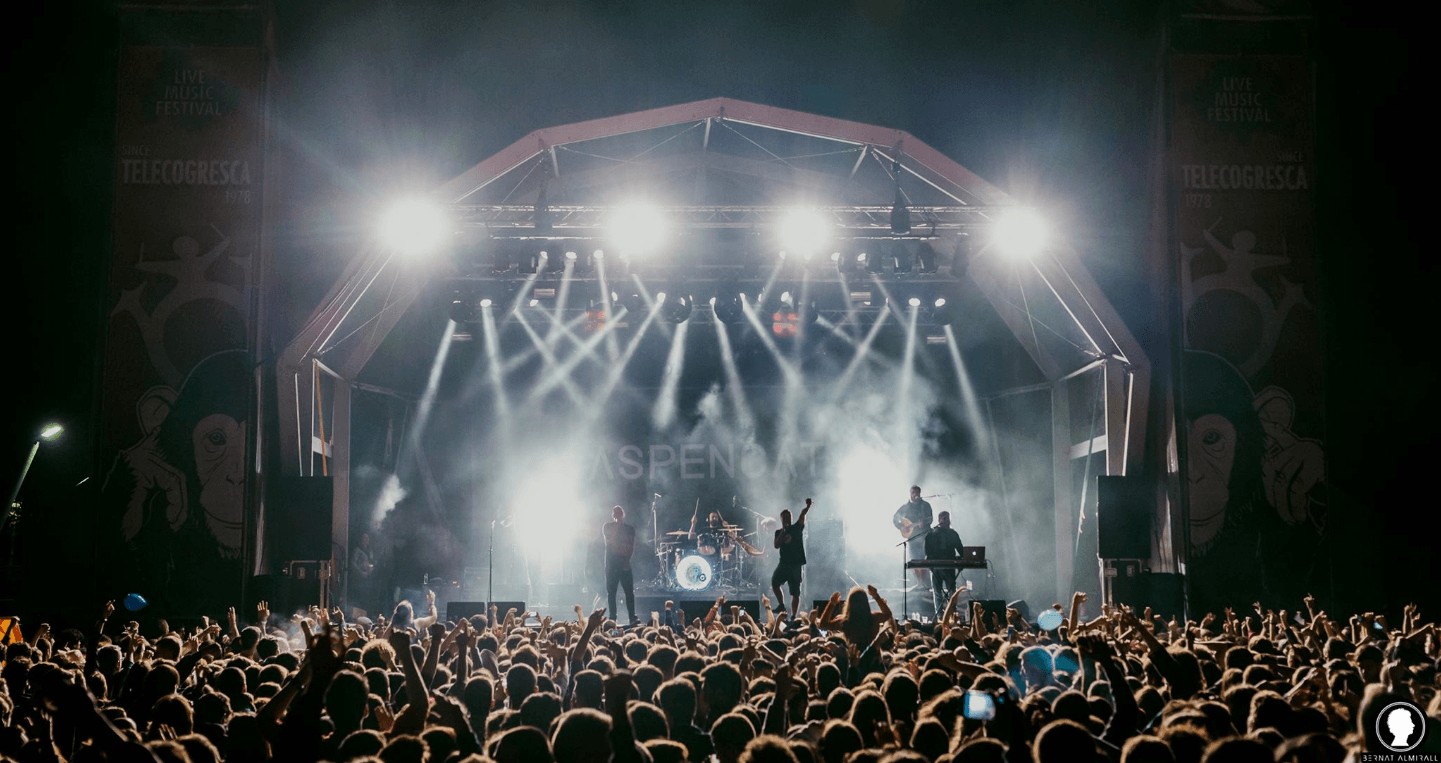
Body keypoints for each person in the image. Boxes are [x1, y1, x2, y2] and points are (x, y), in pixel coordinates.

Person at [771, 498, 812, 616]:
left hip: (795, 565)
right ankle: (781, 605)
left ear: (791, 518)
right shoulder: (778, 532)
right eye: (784, 517)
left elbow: (802, 515)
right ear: (781, 519)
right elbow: (776, 545)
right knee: (775, 582)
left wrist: (808, 507)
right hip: (784, 563)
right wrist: (783, 531)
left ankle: (793, 616)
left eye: (789, 517)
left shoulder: (797, 527)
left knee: (795, 593)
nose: (787, 519)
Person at [602, 504, 639, 625]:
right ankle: (613, 617)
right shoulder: (607, 527)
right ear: (613, 515)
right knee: (611, 593)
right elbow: (610, 543)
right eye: (615, 513)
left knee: (629, 592)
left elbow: (631, 546)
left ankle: (632, 617)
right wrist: (617, 526)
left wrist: (627, 560)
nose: (617, 515)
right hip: (612, 565)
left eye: (619, 512)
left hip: (624, 564)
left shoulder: (629, 529)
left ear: (623, 514)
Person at [893, 485, 933, 591]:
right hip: (911, 537)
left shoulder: (925, 505)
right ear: (910, 494)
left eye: (917, 493)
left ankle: (925, 583)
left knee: (924, 559)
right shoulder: (905, 507)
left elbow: (930, 519)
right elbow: (895, 518)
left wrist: (924, 523)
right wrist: (901, 526)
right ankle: (919, 583)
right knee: (914, 560)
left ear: (920, 493)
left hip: (924, 535)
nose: (915, 495)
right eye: (913, 493)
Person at [923, 510, 964, 616]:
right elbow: (927, 550)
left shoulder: (953, 534)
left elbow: (961, 550)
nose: (947, 521)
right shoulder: (932, 533)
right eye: (944, 518)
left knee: (951, 592)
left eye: (948, 518)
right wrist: (929, 562)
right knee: (938, 592)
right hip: (936, 566)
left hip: (949, 566)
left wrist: (963, 559)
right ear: (939, 520)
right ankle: (940, 616)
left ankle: (952, 614)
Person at [349, 531, 376, 617]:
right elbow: (352, 563)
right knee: (358, 600)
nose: (366, 540)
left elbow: (370, 562)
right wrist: (361, 573)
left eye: (367, 538)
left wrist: (371, 568)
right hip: (358, 581)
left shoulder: (369, 551)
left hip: (367, 581)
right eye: (364, 538)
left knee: (366, 600)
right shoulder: (357, 550)